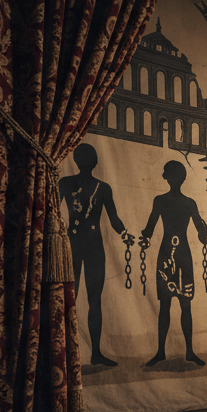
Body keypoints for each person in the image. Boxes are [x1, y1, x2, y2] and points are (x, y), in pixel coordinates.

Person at [59, 143, 128, 367]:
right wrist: (125, 234)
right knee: (83, 299)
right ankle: (81, 353)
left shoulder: (70, 183)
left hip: (80, 244)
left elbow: (114, 219)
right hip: (86, 246)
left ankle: (91, 353)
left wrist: (124, 234)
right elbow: (114, 220)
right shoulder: (75, 184)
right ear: (95, 161)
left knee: (80, 299)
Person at [141, 160, 207, 367]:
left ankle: (177, 351)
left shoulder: (164, 201)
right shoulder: (186, 203)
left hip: (169, 254)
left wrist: (145, 238)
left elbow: (150, 228)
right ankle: (170, 351)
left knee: (173, 305)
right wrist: (203, 235)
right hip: (181, 255)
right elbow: (199, 229)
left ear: (170, 177)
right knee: (177, 305)